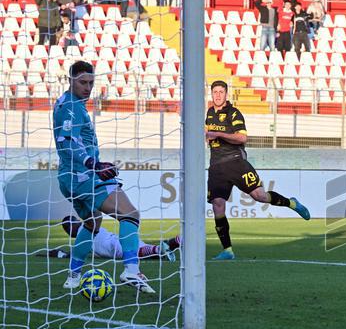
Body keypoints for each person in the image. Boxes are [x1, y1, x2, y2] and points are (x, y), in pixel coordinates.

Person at [54, 61, 154, 293]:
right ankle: (131, 270)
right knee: (130, 214)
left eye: (91, 83)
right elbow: (67, 142)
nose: (87, 87)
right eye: (82, 82)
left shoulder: (68, 103)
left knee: (92, 223)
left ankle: (74, 275)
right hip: (84, 176)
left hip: (68, 179)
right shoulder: (71, 107)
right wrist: (93, 164)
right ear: (70, 80)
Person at [206, 80, 310, 260]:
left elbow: (242, 138)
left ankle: (292, 203)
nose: (218, 95)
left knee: (260, 196)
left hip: (236, 162)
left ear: (226, 94)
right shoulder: (209, 113)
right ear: (211, 94)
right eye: (215, 92)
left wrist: (218, 134)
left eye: (221, 92)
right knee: (218, 205)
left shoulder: (233, 113)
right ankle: (228, 250)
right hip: (216, 166)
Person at [47, 216, 181, 262]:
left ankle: (162, 248)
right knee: (145, 251)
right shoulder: (88, 227)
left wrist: (58, 254)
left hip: (113, 245)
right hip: (115, 240)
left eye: (67, 227)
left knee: (137, 252)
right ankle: (174, 243)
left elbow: (74, 255)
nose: (67, 230)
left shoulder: (83, 235)